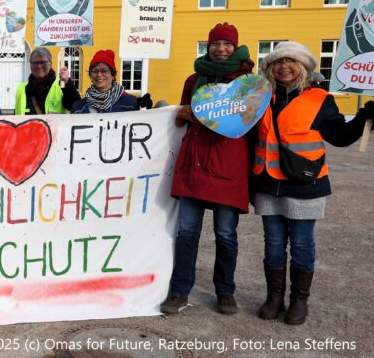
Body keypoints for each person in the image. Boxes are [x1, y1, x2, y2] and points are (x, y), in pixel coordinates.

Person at [251, 41, 374, 325]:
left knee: (303, 244)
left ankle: (299, 300)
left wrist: (364, 117)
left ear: (303, 67)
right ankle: (274, 296)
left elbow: (340, 137)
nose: (284, 66)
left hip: (306, 184)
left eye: (291, 61)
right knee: (273, 243)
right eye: (278, 62)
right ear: (270, 68)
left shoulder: (320, 98)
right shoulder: (259, 97)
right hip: (268, 182)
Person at [160, 22, 254, 316]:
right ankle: (179, 291)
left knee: (226, 234)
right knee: (186, 232)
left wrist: (196, 116)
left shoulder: (249, 82)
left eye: (227, 44)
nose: (221, 49)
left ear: (236, 46)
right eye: (215, 44)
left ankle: (225, 292)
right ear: (208, 47)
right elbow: (183, 113)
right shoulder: (194, 79)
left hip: (229, 166)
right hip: (195, 164)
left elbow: (247, 123)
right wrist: (183, 112)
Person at [15, 47, 80, 115]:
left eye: (43, 62)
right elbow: (16, 116)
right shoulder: (21, 89)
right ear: (30, 65)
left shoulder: (62, 84)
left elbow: (77, 108)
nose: (39, 66)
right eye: (35, 63)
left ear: (50, 64)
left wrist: (67, 84)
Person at [72, 49, 139, 113]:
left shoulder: (130, 103)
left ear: (113, 75)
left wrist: (145, 109)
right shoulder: (78, 107)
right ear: (91, 76)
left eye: (104, 71)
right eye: (95, 71)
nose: (99, 74)